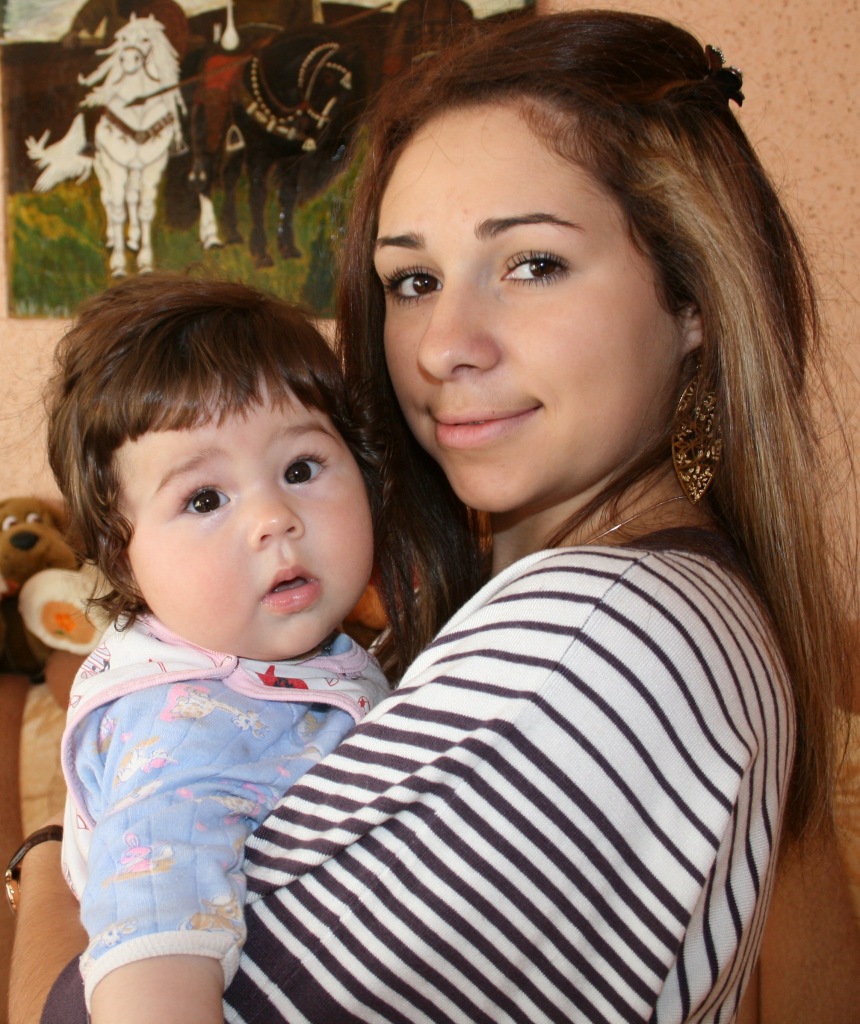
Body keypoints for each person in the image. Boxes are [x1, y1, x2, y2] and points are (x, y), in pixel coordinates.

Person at [10, 10, 858, 1023]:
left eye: (532, 263)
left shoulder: (592, 644)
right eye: (412, 280)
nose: (442, 344)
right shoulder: (639, 605)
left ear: (693, 298)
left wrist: (53, 855)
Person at [36, 275, 389, 1024]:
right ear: (124, 557)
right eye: (204, 499)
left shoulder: (286, 657)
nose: (274, 517)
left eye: (300, 469)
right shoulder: (187, 733)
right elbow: (151, 958)